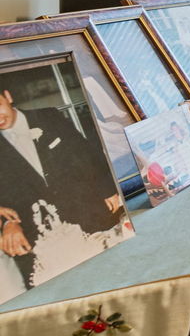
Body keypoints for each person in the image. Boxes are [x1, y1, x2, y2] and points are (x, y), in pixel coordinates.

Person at [0, 88, 123, 288]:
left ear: (8, 96)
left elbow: (87, 153)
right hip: (44, 240)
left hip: (88, 215)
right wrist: (6, 224)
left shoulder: (49, 117)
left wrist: (108, 188)